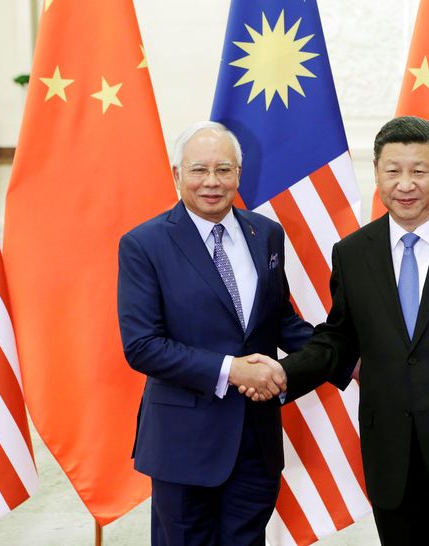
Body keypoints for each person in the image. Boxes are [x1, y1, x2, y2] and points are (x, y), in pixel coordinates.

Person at [247, 116, 429, 545]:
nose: (405, 184)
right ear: (377, 174)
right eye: (393, 171)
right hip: (390, 454)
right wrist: (283, 372)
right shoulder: (352, 253)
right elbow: (339, 338)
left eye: (419, 171)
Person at [116, 121, 309, 545]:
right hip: (183, 446)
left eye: (223, 169)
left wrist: (346, 358)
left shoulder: (266, 234)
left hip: (256, 443)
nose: (212, 181)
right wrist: (231, 370)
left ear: (239, 173)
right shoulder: (144, 244)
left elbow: (279, 320)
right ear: (177, 174)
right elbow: (143, 346)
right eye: (199, 169)